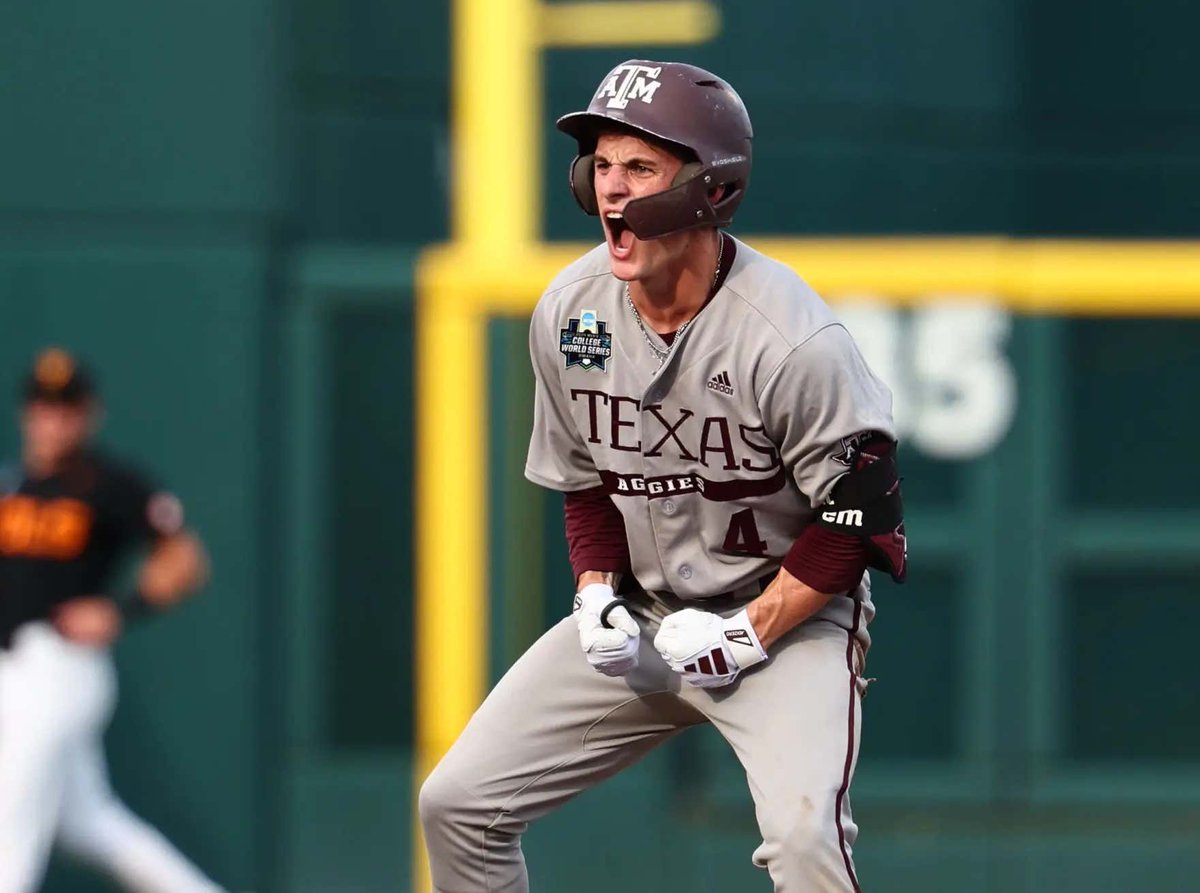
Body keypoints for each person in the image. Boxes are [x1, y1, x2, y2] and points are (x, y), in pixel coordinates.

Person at [419, 60, 907, 892]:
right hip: (647, 611)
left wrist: (747, 631)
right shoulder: (572, 311)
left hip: (785, 625)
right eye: (602, 164)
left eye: (641, 167)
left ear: (711, 189)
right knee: (457, 803)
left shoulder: (790, 338)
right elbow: (588, 480)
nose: (612, 187)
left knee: (804, 841)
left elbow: (860, 521)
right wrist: (594, 592)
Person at [0, 348, 227, 893]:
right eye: (43, 405)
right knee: (92, 825)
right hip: (12, 669)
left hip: (56, 665)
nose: (53, 419)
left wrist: (123, 608)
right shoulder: (12, 485)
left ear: (88, 413)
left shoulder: (108, 483)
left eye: (66, 407)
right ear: (27, 412)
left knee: (9, 820)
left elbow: (186, 558)